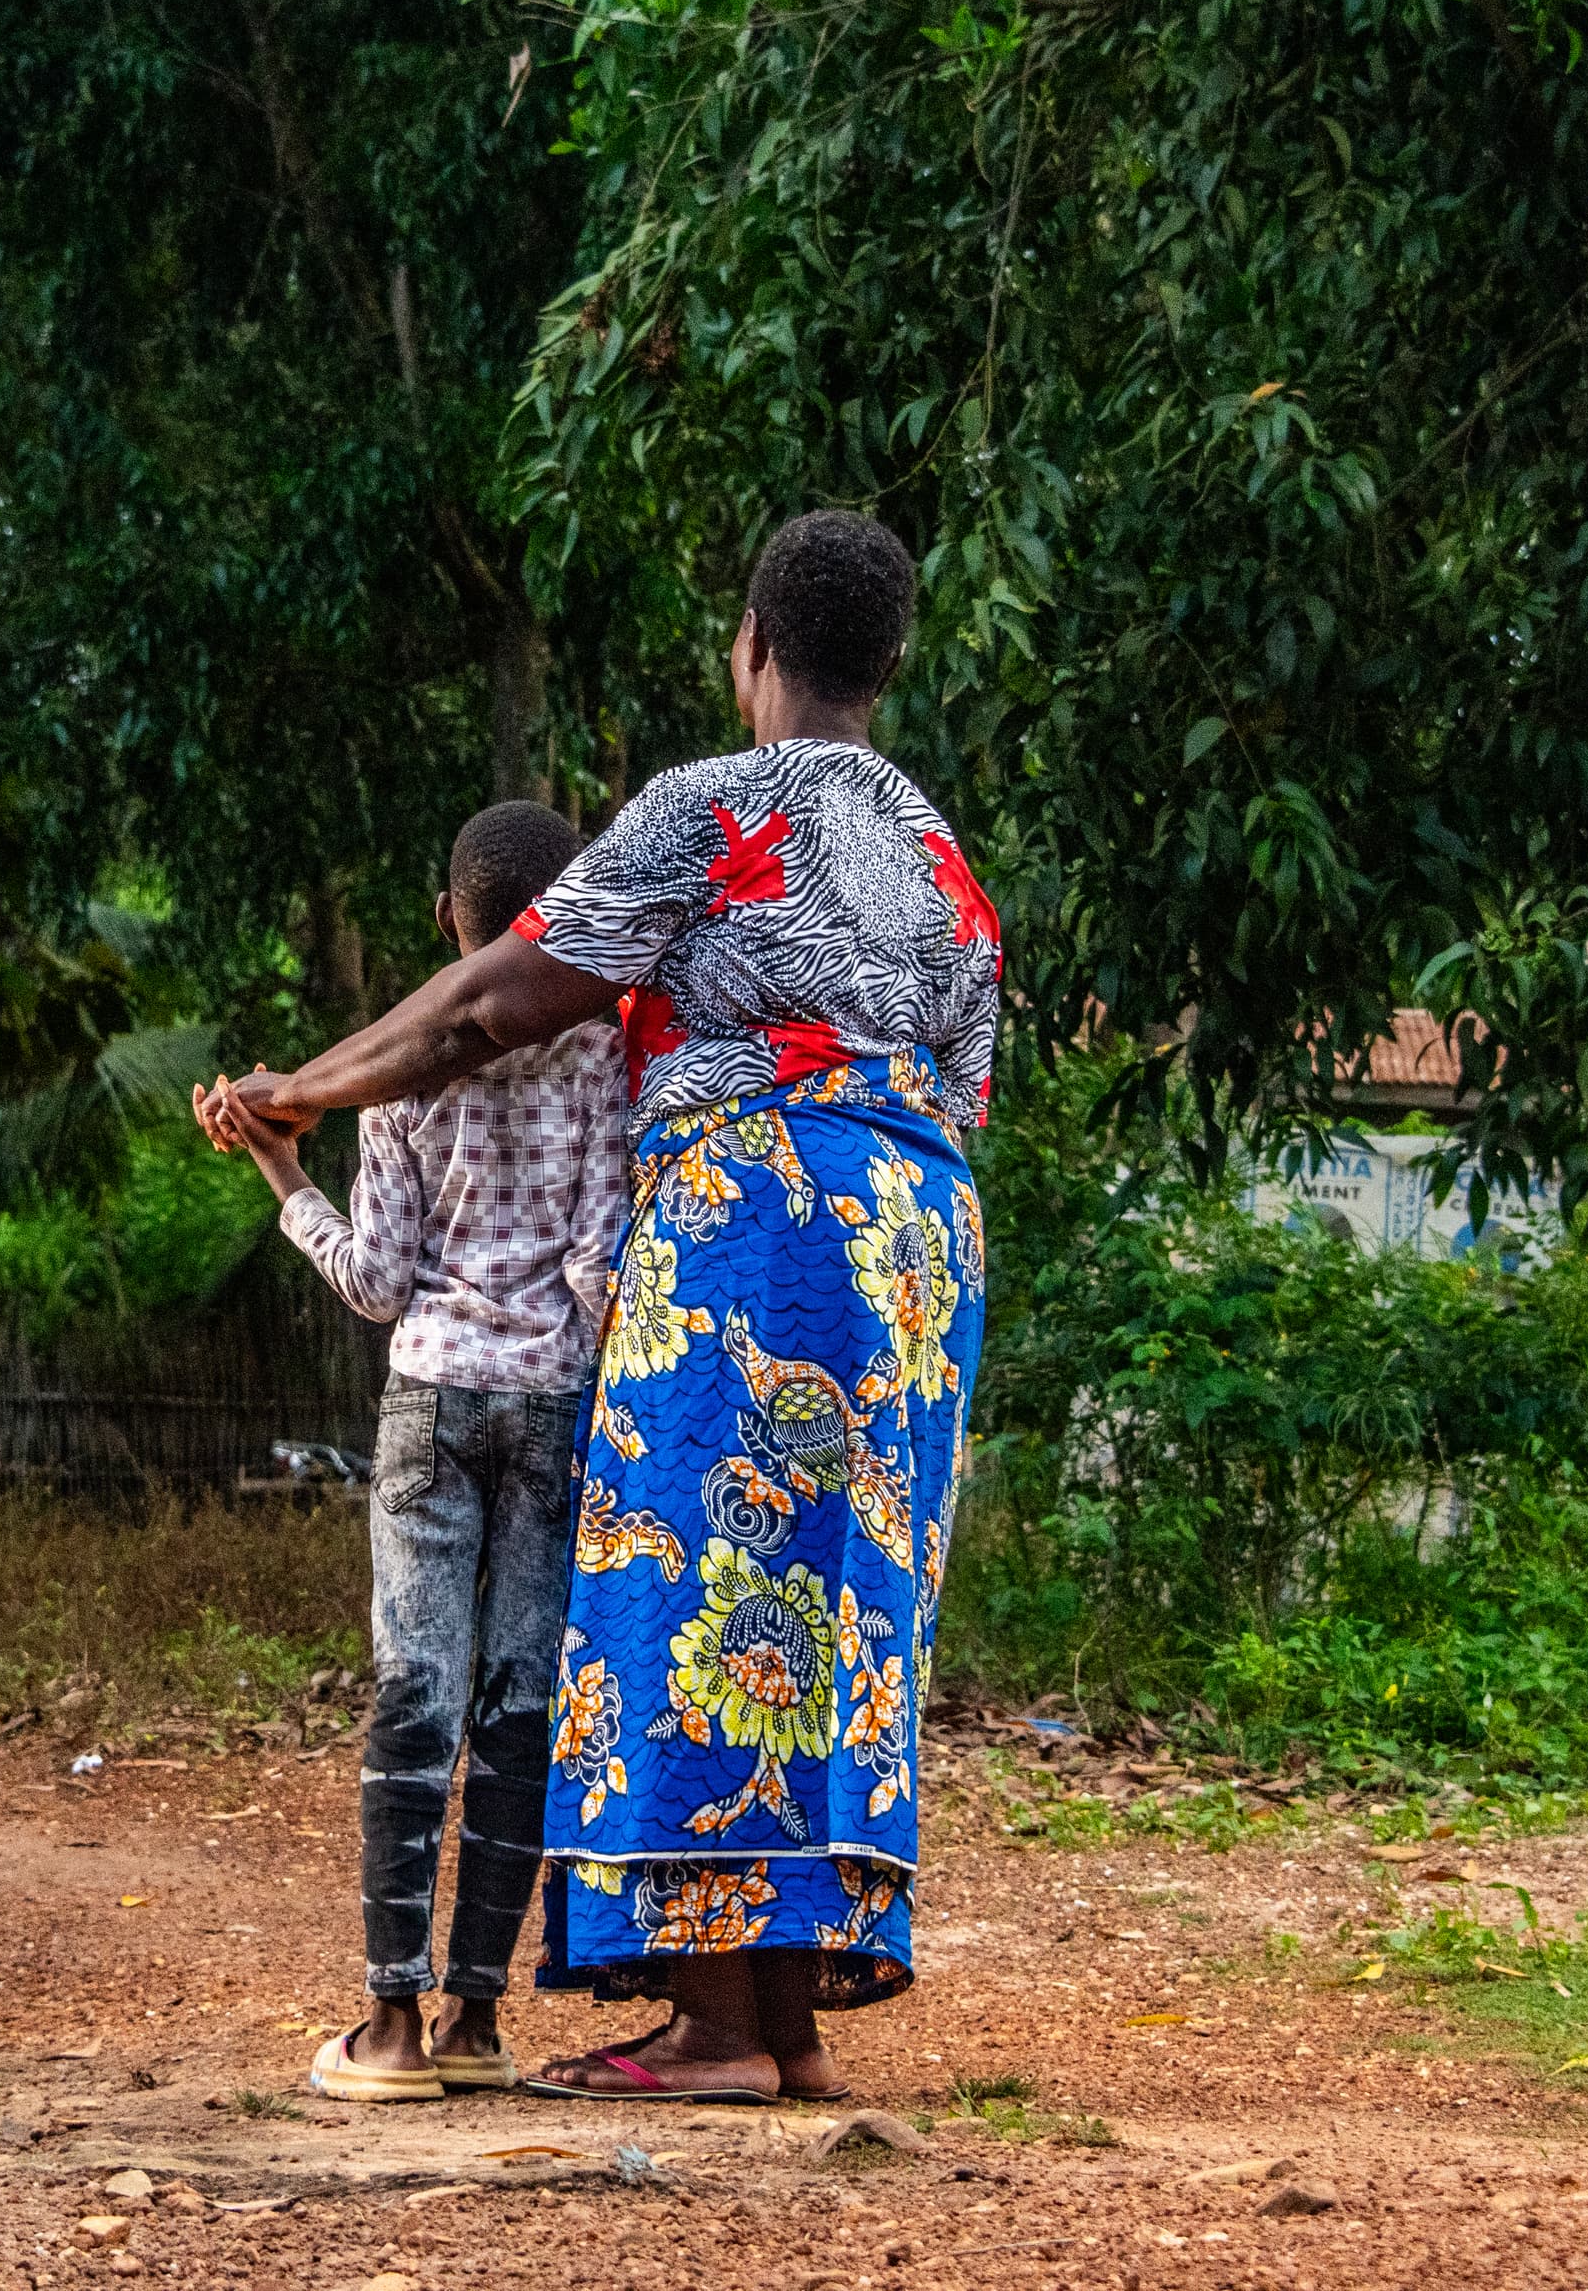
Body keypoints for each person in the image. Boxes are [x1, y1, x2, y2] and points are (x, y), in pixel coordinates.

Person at [207, 508, 1001, 2105]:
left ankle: (715, 2030)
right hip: (917, 1244)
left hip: (756, 1218)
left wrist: (306, 1088)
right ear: (891, 664)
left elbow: (493, 998)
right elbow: (970, 1081)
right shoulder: (939, 857)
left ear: (755, 650)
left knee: (703, 1588)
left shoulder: (714, 807)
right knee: (835, 1607)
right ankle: (781, 2025)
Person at [196, 800, 631, 2103]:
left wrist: (285, 1177)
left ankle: (387, 2030)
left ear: (450, 923)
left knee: (417, 1697)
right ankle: (479, 2028)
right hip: (556, 1409)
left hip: (432, 1405)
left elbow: (379, 1286)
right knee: (518, 1708)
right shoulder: (607, 1059)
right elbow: (604, 1276)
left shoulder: (399, 1078)